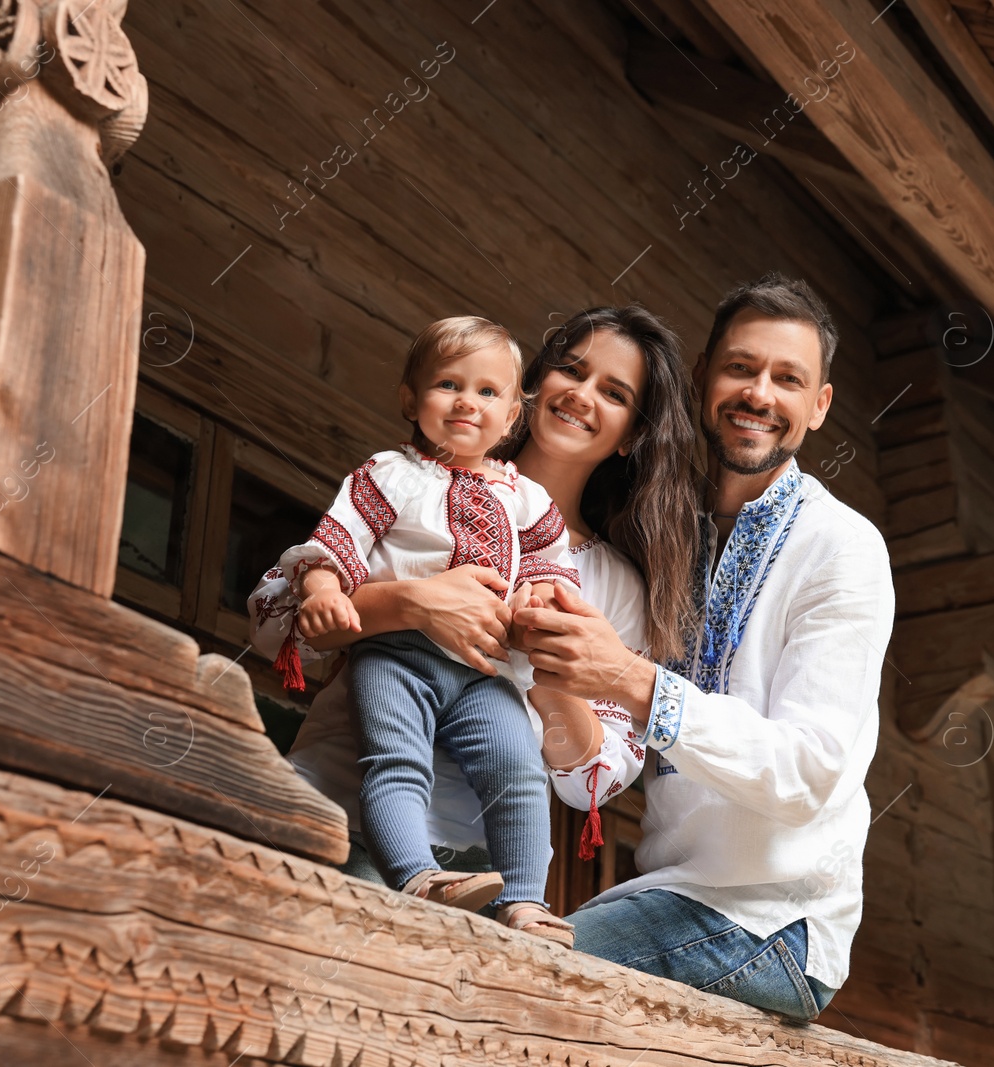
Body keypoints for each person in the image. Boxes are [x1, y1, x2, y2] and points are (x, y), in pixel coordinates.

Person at [251, 305, 700, 942]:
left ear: (631, 433)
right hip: (337, 811)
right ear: (534, 386)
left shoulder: (614, 585)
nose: (581, 394)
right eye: (570, 370)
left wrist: (555, 673)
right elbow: (274, 622)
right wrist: (410, 603)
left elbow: (593, 783)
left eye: (615, 392)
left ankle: (523, 897)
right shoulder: (407, 480)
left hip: (480, 869)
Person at [515, 273, 896, 1021]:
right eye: (741, 368)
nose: (760, 393)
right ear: (702, 379)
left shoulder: (842, 546)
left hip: (771, 918)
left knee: (518, 980)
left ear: (819, 405)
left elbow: (808, 770)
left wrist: (631, 679)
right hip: (665, 896)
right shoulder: (663, 533)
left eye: (788, 379)